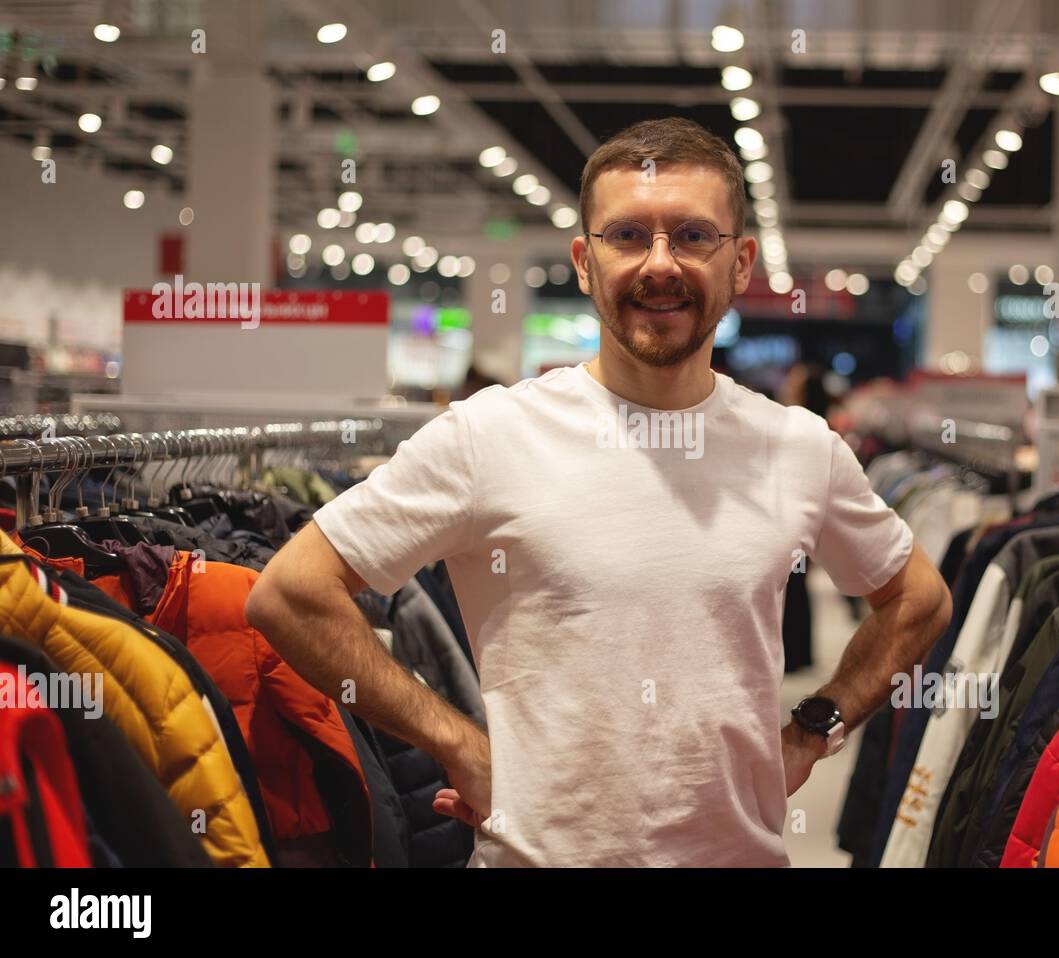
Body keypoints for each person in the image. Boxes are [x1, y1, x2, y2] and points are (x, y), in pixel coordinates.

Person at [245, 117, 951, 867]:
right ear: (584, 262)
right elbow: (289, 592)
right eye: (627, 236)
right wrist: (453, 740)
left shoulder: (799, 447)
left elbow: (919, 600)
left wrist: (815, 728)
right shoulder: (489, 436)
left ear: (741, 262)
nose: (660, 264)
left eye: (692, 236)